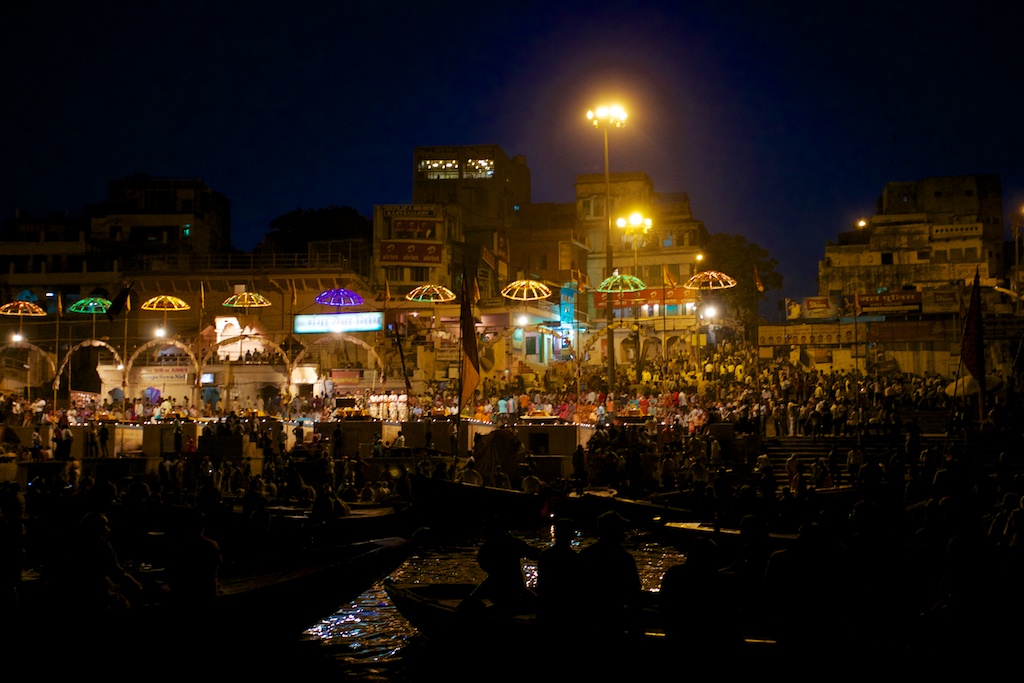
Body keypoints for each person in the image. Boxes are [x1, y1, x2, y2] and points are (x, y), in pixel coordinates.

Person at [577, 511, 642, 632]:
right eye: (621, 528)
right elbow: (634, 592)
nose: (624, 532)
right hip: (614, 618)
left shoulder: (586, 554)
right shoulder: (624, 558)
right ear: (615, 531)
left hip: (589, 618)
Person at [465, 516, 540, 614]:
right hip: (510, 591)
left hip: (506, 591)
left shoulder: (488, 549)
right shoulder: (511, 544)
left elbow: (534, 553)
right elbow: (534, 553)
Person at [536, 517, 581, 628]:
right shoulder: (574, 558)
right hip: (566, 608)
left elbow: (542, 584)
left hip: (547, 607)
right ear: (571, 535)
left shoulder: (545, 555)